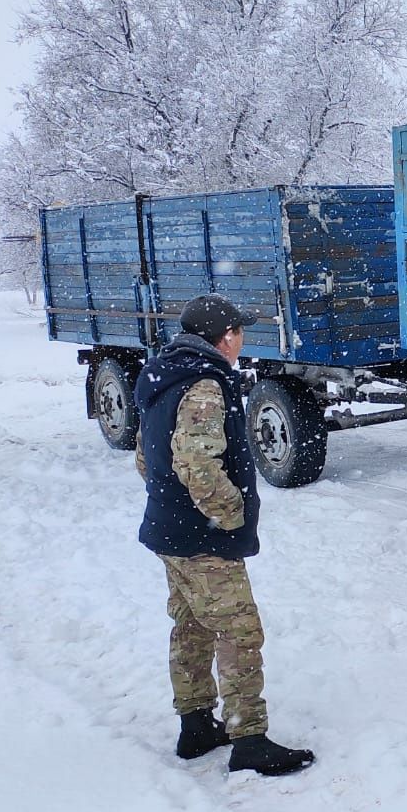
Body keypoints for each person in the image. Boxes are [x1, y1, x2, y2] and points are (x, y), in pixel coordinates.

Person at [134, 294, 315, 777]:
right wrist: (229, 514)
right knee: (239, 633)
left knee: (191, 625)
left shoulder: (162, 375)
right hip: (202, 537)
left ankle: (196, 727)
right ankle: (249, 739)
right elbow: (195, 463)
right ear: (225, 337)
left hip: (169, 530)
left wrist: (171, 503)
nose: (241, 342)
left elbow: (145, 457)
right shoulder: (206, 385)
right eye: (239, 333)